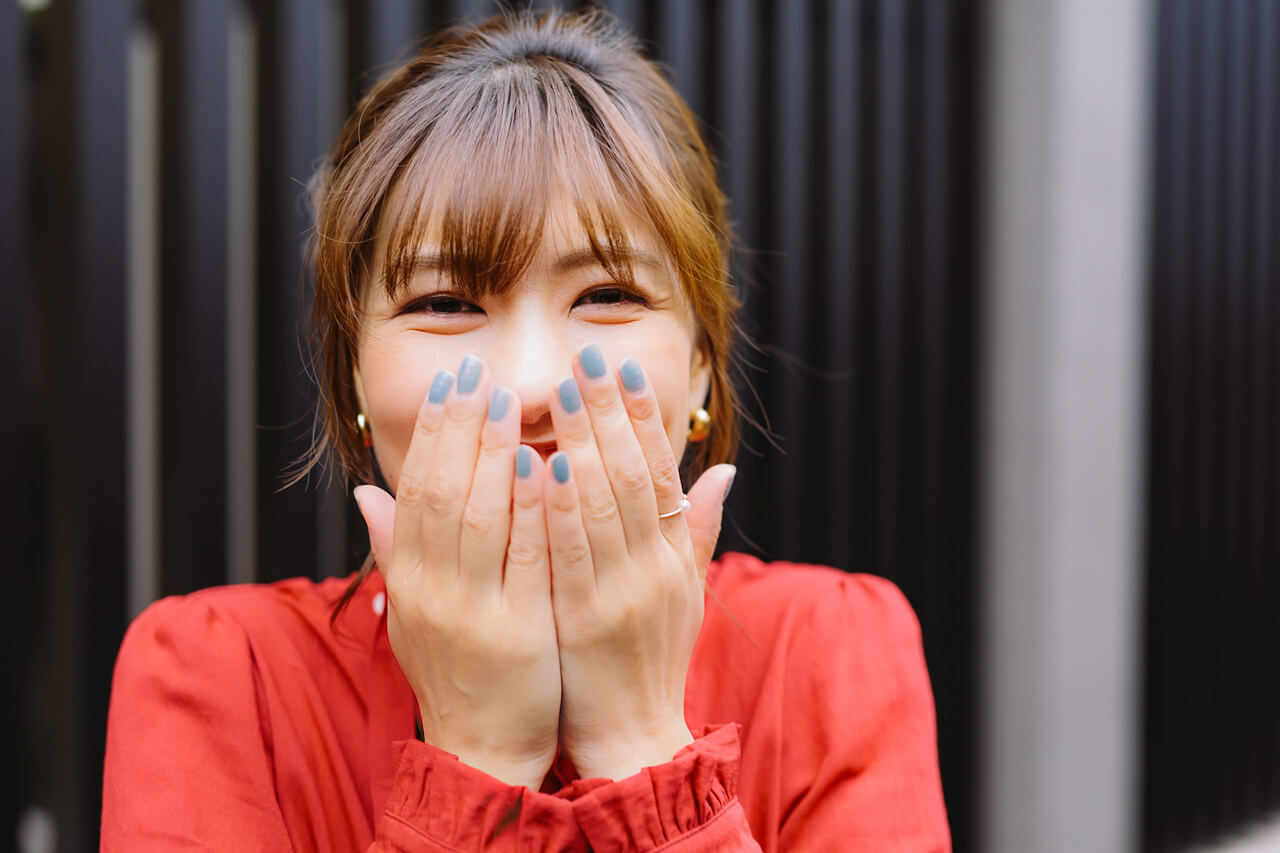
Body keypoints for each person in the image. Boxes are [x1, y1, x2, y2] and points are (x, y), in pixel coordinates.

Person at [101, 9, 950, 851]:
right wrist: (480, 752)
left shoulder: (828, 653)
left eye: (607, 295)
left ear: (700, 362)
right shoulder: (219, 679)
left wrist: (639, 737)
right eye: (445, 303)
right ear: (354, 371)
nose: (533, 383)